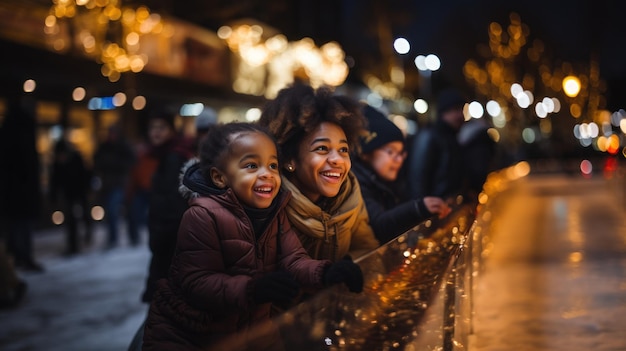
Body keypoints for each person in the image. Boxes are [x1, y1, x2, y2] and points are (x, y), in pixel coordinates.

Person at [141, 122, 363, 351]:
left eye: (272, 165)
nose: (267, 174)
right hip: (192, 336)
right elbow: (197, 282)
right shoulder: (202, 215)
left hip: (250, 332)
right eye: (251, 165)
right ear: (220, 178)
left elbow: (294, 260)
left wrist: (325, 273)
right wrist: (253, 289)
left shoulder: (275, 213)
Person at [257, 82, 380, 262]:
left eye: (343, 150)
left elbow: (367, 250)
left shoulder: (350, 197)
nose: (337, 159)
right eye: (322, 148)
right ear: (289, 159)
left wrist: (349, 267)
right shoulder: (264, 207)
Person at [352, 105, 451, 244]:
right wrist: (418, 208)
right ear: (366, 153)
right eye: (391, 152)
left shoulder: (388, 182)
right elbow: (378, 225)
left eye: (401, 153)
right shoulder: (356, 183)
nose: (398, 160)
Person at [140, 112, 195, 303]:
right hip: (166, 234)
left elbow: (173, 201)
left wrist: (159, 236)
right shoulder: (164, 155)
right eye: (152, 128)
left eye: (161, 127)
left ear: (171, 131)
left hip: (169, 237)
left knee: (164, 299)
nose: (155, 132)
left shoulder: (172, 157)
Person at [0, 93, 44, 272]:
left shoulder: (10, 129)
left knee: (16, 224)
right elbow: (27, 163)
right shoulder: (23, 130)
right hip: (21, 189)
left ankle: (16, 257)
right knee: (22, 224)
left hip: (12, 189)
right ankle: (21, 256)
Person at [406, 88, 468, 201]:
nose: (461, 116)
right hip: (434, 211)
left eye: (462, 110)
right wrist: (422, 210)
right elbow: (418, 179)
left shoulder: (451, 138)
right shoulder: (429, 137)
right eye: (456, 109)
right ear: (444, 112)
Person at [93, 124, 136, 248]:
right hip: (107, 184)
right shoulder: (104, 147)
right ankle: (113, 238)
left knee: (119, 210)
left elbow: (131, 162)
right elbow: (97, 161)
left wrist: (115, 165)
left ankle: (130, 236)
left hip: (120, 183)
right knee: (111, 211)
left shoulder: (123, 146)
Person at [49, 139, 92, 255]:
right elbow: (55, 180)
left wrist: (86, 190)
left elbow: (85, 175)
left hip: (80, 192)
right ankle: (73, 245)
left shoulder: (76, 158)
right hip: (69, 194)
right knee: (71, 220)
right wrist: (53, 196)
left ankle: (88, 232)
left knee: (83, 215)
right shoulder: (57, 163)